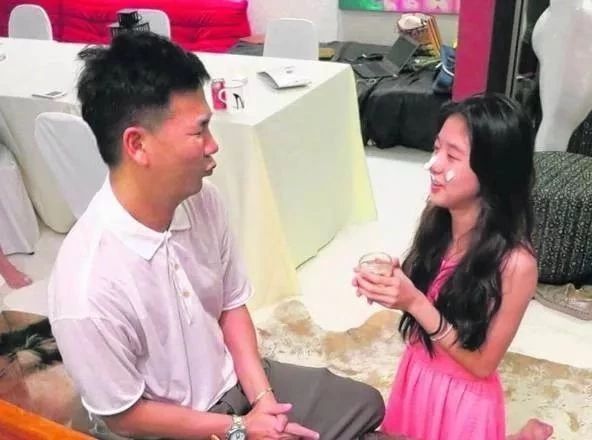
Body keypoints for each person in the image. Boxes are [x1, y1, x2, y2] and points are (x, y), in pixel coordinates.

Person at [48, 32, 384, 440]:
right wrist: (239, 429)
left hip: (235, 389)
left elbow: (230, 305)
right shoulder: (87, 287)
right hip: (169, 429)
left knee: (367, 404)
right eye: (199, 131)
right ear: (137, 144)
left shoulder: (203, 200)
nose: (214, 145)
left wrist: (262, 400)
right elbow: (125, 416)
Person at [353, 94, 553, 440]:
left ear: (492, 170)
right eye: (436, 149)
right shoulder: (438, 221)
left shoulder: (516, 264)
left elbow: (482, 364)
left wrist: (415, 302)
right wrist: (396, 285)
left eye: (452, 156)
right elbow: (434, 299)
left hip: (463, 401)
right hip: (416, 378)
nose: (432, 164)